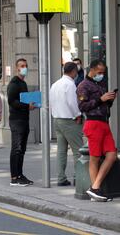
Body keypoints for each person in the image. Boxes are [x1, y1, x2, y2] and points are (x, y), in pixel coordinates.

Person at [77, 60, 117, 202]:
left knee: (112, 154)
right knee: (94, 157)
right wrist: (101, 99)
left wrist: (109, 100)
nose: (101, 75)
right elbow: (83, 106)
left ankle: (94, 187)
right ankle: (95, 190)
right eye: (99, 72)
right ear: (92, 70)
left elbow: (103, 104)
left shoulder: (100, 84)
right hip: (93, 123)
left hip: (104, 122)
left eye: (103, 72)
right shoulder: (83, 86)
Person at [49, 62, 84, 186]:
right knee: (78, 150)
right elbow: (72, 103)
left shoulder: (55, 84)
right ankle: (79, 177)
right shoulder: (70, 85)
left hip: (57, 120)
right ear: (73, 71)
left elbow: (51, 102)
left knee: (61, 151)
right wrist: (78, 115)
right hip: (69, 120)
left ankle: (61, 178)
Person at [7, 58, 35, 186]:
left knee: (22, 149)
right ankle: (14, 177)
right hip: (16, 120)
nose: (24, 68)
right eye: (22, 66)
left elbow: (24, 99)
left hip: (24, 119)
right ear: (16, 68)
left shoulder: (23, 83)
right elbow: (12, 102)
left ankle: (20, 174)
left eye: (26, 65)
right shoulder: (14, 84)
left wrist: (32, 104)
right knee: (16, 148)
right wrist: (26, 106)